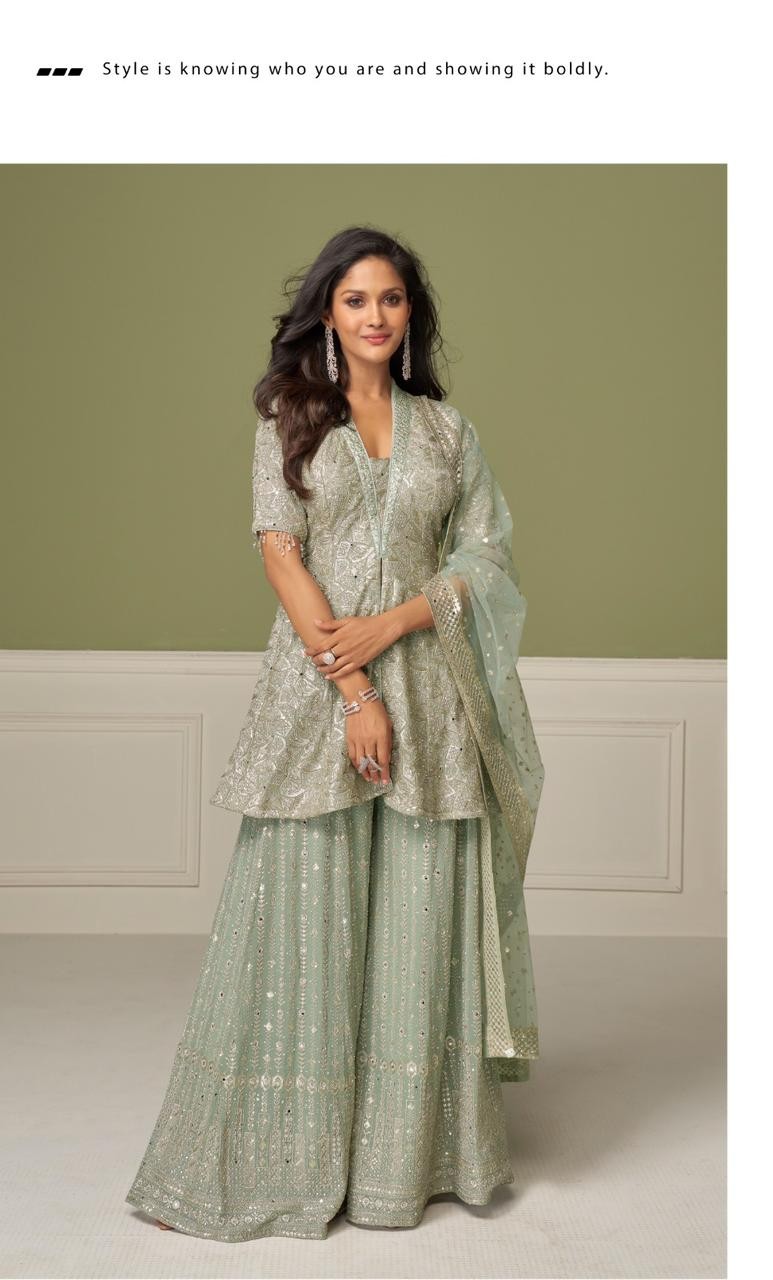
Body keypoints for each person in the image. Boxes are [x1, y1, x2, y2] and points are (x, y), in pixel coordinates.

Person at [124, 226, 545, 1242]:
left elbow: (485, 557)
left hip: (433, 697)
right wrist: (356, 689)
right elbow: (282, 555)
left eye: (391, 298)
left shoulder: (447, 432)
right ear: (326, 311)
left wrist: (395, 624)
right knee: (303, 918)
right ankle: (281, 1156)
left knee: (416, 920)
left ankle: (404, 1164)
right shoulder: (290, 418)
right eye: (355, 298)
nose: (374, 315)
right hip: (319, 696)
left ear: (411, 315)